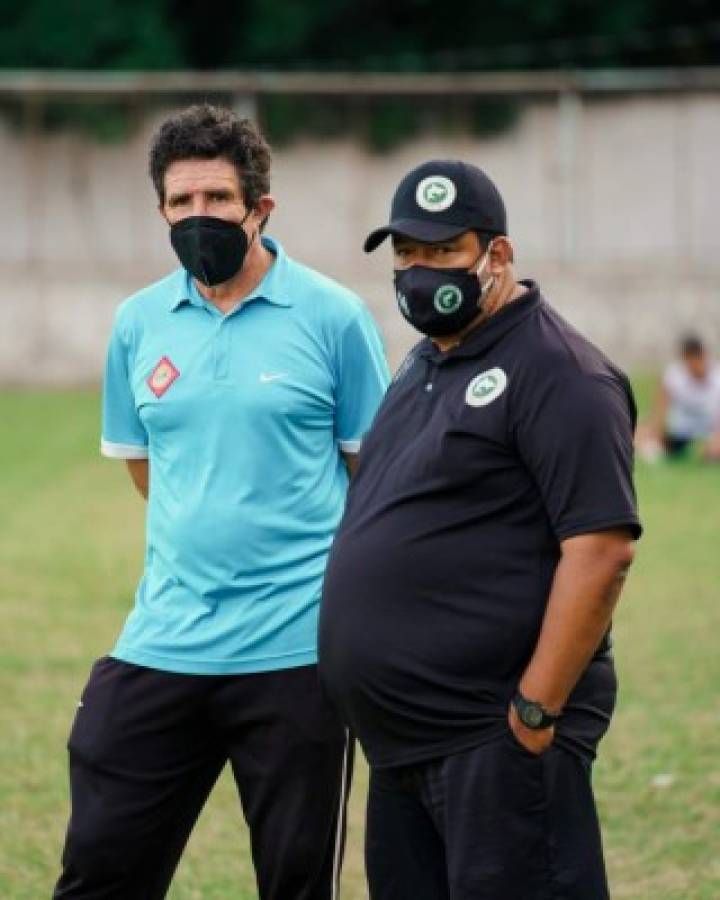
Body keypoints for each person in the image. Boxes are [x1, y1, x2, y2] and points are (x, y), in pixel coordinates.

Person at [52, 104, 389, 900]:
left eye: (217, 200)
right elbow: (148, 469)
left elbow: (373, 478)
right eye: (181, 203)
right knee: (99, 868)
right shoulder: (137, 324)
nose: (198, 217)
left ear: (259, 208)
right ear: (161, 211)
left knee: (296, 884)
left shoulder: (334, 317)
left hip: (297, 655)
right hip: (163, 640)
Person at [319, 160, 642, 900]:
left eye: (443, 252)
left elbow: (601, 551)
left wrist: (533, 713)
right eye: (407, 253)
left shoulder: (561, 373)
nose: (420, 271)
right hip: (404, 745)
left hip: (492, 741)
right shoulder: (425, 361)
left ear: (497, 256)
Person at [637, 333, 720, 462]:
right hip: (680, 433)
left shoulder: (717, 376)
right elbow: (660, 410)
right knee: (639, 431)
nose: (693, 366)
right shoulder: (673, 375)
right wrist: (656, 432)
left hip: (710, 433)